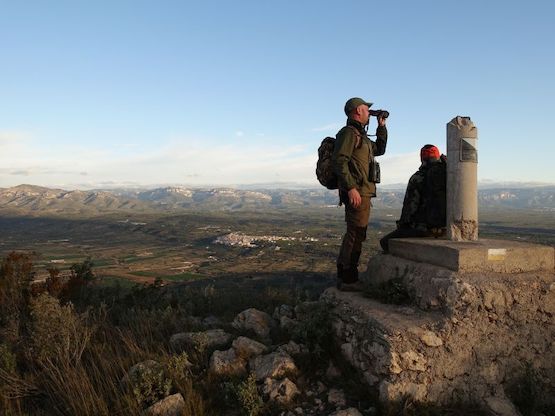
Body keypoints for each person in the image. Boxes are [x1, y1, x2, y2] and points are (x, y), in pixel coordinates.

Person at [332, 97, 387, 291]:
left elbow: (379, 149)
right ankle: (348, 279)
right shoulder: (348, 133)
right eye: (366, 109)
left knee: (357, 233)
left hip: (363, 191)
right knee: (355, 234)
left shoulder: (361, 136)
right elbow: (339, 161)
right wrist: (351, 188)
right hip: (357, 191)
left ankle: (348, 276)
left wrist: (381, 127)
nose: (368, 112)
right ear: (357, 111)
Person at [379, 144, 447, 253]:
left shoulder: (418, 177)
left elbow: (410, 208)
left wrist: (402, 226)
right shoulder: (448, 174)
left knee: (385, 242)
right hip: (446, 229)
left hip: (423, 229)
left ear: (422, 158)